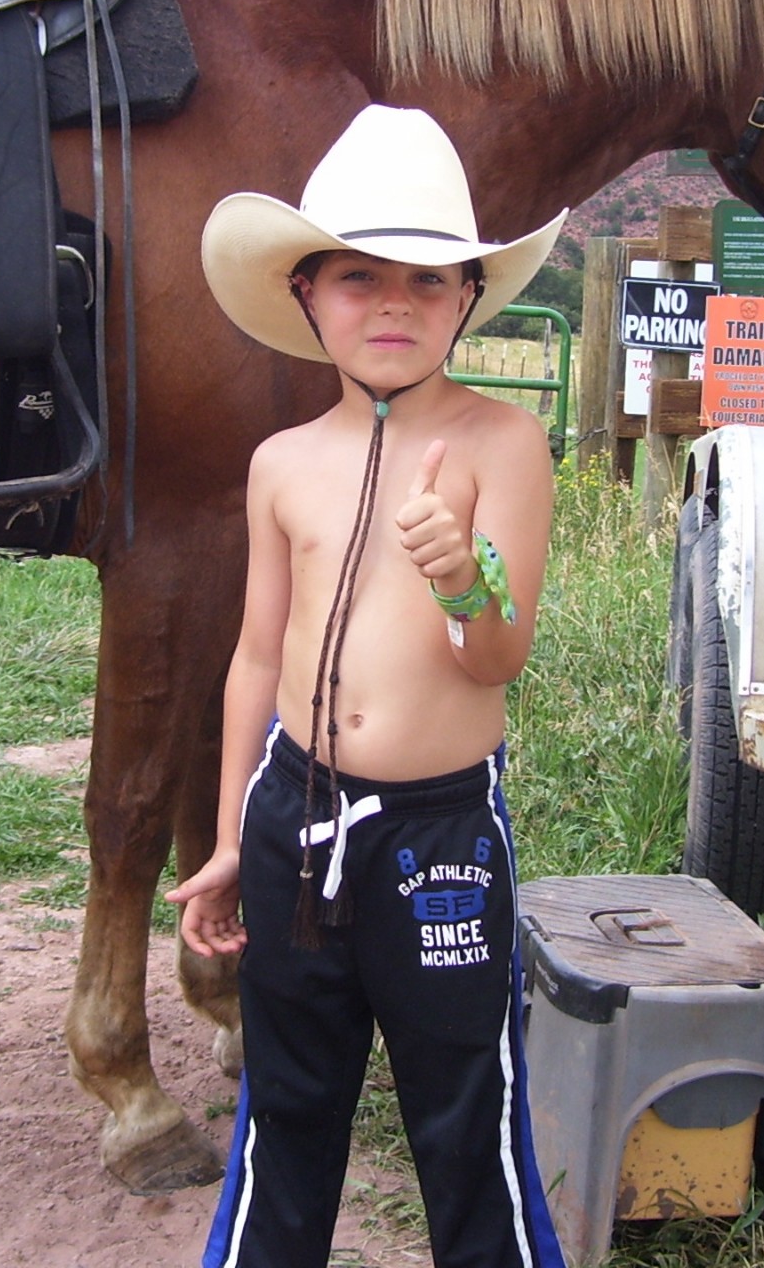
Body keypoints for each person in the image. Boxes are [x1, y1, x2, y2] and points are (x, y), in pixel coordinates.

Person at [168, 105, 568, 1268]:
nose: (392, 302)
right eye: (358, 277)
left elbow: (496, 662)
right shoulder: (281, 464)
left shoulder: (500, 445)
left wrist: (459, 577)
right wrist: (242, 830)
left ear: (465, 299)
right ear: (307, 293)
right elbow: (257, 653)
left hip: (438, 833)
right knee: (287, 1109)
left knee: (462, 1112)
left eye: (425, 279)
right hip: (296, 819)